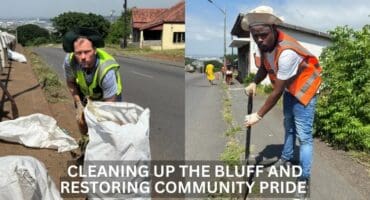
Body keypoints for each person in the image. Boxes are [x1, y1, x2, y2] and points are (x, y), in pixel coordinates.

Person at [242, 6, 322, 198]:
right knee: (288, 125)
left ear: (273, 29)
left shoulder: (286, 52)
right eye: (255, 36)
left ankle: (303, 181)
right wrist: (254, 82)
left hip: (305, 91)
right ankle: (286, 158)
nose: (259, 39)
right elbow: (265, 67)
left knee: (304, 137)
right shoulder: (265, 46)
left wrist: (258, 115)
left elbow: (276, 91)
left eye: (263, 34)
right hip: (290, 89)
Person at [62, 27, 123, 135]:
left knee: (108, 127)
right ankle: (86, 145)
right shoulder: (70, 61)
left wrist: (97, 120)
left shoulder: (106, 70)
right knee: (82, 120)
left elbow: (109, 104)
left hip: (110, 98)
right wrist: (78, 103)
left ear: (95, 50)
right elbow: (71, 82)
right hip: (87, 94)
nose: (83, 57)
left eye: (87, 52)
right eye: (78, 53)